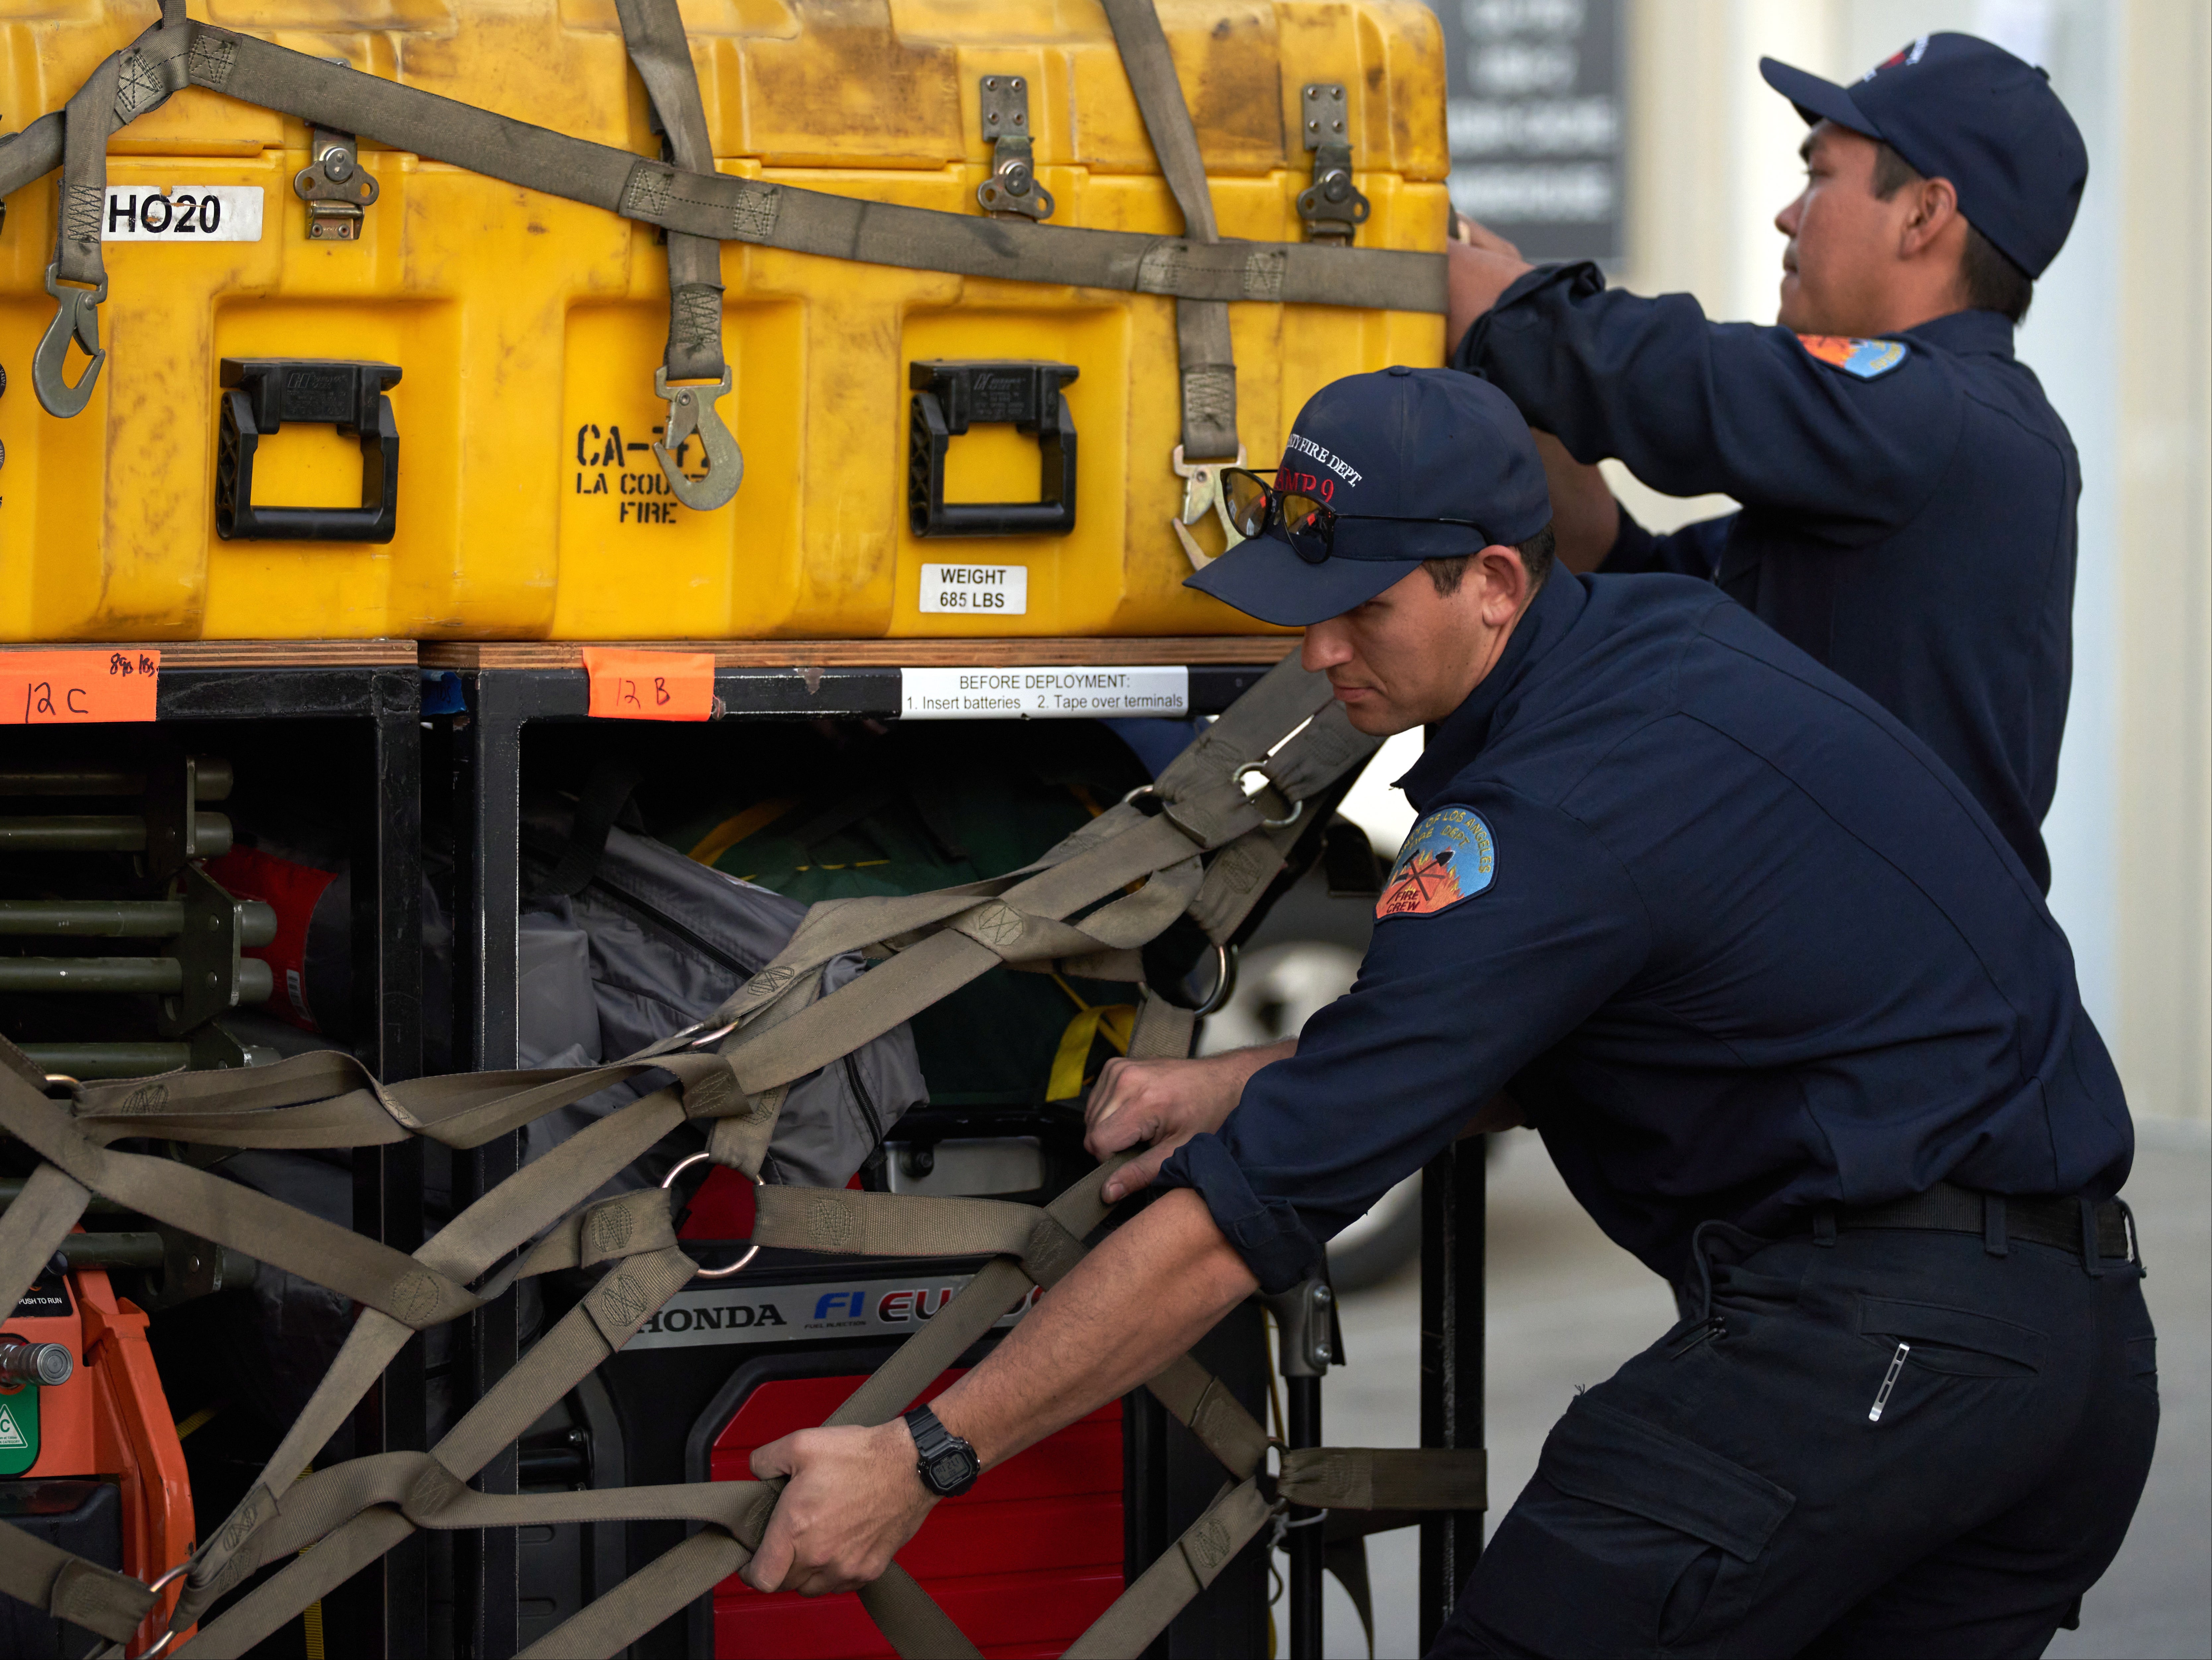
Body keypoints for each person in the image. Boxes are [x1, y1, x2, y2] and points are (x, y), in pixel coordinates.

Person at [740, 369, 2154, 1657]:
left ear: (1489, 579)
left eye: (1364, 609)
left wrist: (918, 1455)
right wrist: (1246, 1082)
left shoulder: (1545, 815)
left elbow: (1243, 1225)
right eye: (1311, 606)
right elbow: (1593, 1025)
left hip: (1872, 1351)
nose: (1319, 655)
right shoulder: (1660, 653)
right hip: (2068, 1359)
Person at [1447, 32, 2088, 893]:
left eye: (1818, 175)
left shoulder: (1943, 414)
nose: (1788, 214)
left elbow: (1674, 378)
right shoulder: (1896, 450)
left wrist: (1491, 299)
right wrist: (1504, 307)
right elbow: (1618, 564)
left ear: (1923, 215)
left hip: (1889, 1010)